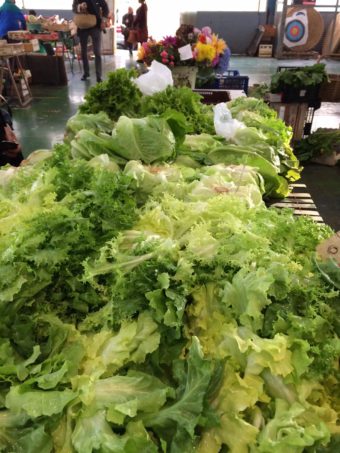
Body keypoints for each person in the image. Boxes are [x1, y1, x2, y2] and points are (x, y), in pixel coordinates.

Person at [72, 0, 109, 83]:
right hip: (82, 26)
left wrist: (103, 20)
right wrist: (80, 7)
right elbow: (74, 8)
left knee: (97, 52)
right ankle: (86, 73)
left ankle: (98, 76)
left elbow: (105, 7)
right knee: (83, 52)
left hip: (96, 26)